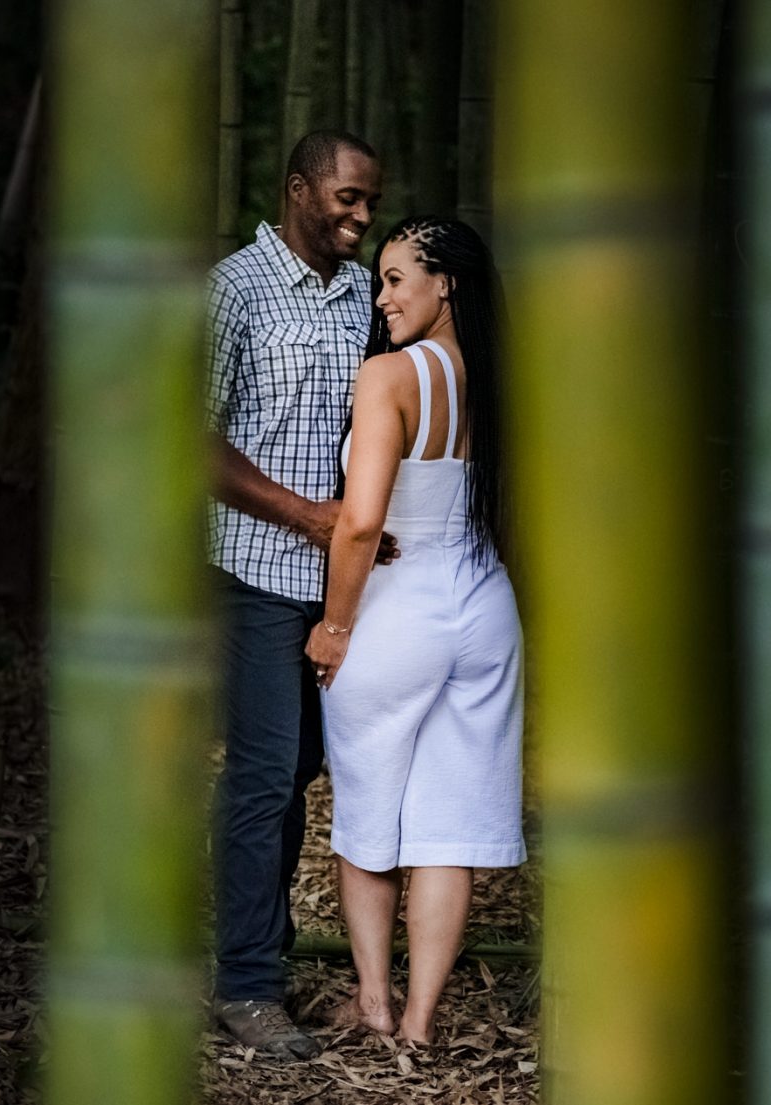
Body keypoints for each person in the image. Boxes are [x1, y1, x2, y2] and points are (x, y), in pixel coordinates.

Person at [304, 215, 524, 1044]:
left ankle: (374, 1002)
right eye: (381, 277)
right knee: (448, 824)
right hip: (483, 602)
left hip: (397, 609)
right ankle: (423, 1021)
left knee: (367, 813)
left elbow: (361, 524)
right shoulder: (497, 379)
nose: (382, 293)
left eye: (398, 277)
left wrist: (333, 625)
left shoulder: (388, 377)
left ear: (448, 285)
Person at [205, 130, 396, 1061]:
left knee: (300, 770)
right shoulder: (234, 288)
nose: (363, 216)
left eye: (370, 202)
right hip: (253, 572)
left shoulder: (368, 294)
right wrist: (307, 518)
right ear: (298, 191)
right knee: (264, 772)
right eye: (350, 198)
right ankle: (245, 983)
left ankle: (257, 946)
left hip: (343, 582)